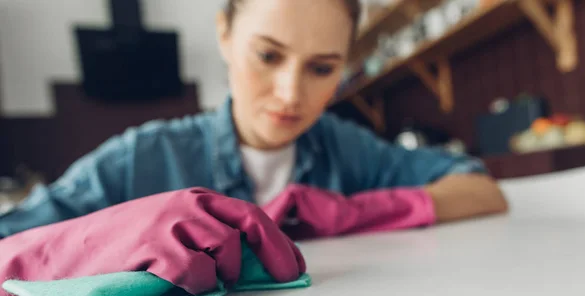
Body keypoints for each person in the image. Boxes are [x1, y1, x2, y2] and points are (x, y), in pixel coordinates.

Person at [0, 0, 508, 239]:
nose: (290, 94)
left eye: (322, 68)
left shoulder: (344, 149)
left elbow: (481, 188)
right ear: (225, 35)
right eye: (268, 56)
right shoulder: (143, 159)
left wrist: (355, 212)